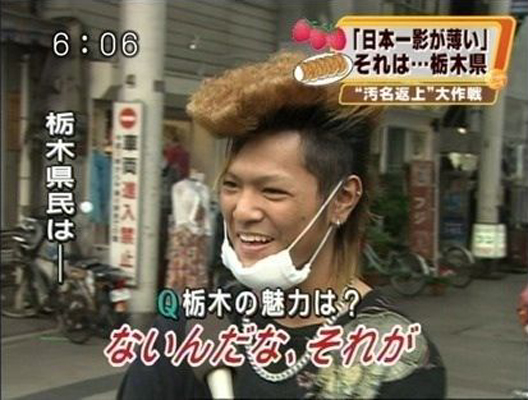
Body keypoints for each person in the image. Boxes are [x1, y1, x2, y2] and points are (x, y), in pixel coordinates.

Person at [117, 51, 446, 399]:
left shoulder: (397, 356)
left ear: (342, 199)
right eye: (231, 186)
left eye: (272, 191)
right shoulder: (191, 325)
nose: (242, 211)